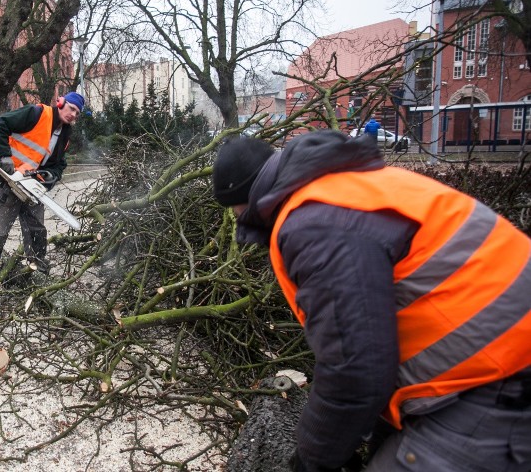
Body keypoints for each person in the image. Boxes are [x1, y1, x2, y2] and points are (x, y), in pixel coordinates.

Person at [211, 130, 531, 472]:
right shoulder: (340, 189)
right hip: (484, 360)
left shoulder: (314, 225)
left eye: (233, 211)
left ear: (242, 200)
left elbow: (354, 367)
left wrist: (313, 460)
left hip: (499, 378)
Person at [0, 92, 84, 279]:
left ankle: (38, 273)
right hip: (9, 181)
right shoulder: (37, 113)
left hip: (32, 187)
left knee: (37, 232)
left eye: (77, 113)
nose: (73, 114)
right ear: (61, 103)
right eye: (71, 109)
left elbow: (59, 164)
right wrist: (4, 156)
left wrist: (50, 177)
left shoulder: (65, 135)